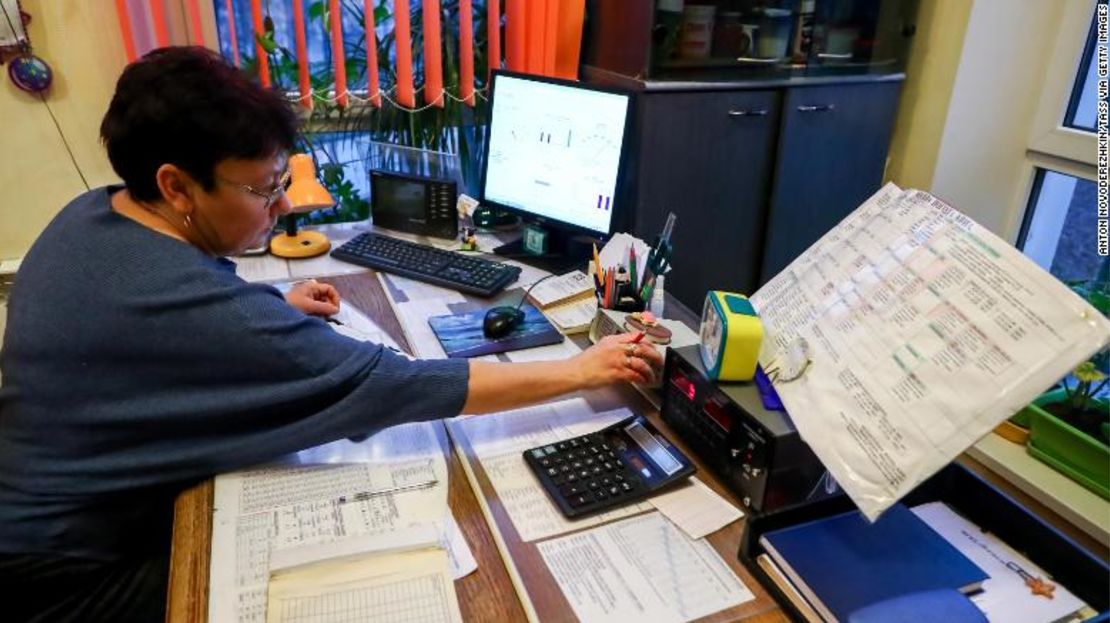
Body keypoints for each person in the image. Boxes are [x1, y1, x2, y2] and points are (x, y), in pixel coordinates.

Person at [0, 47, 662, 622]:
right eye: (265, 189)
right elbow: (404, 383)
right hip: (68, 575)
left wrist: (267, 297)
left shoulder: (93, 213)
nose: (284, 206)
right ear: (176, 186)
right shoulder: (211, 315)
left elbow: (156, 325)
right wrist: (584, 370)